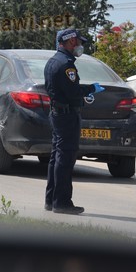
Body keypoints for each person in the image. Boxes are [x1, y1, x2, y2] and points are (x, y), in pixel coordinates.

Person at [43, 28, 104, 214]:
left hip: (57, 113)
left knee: (56, 157)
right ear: (70, 42)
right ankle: (61, 202)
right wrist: (90, 89)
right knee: (65, 157)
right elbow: (73, 92)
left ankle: (51, 200)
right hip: (67, 115)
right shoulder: (66, 64)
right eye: (78, 42)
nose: (80, 46)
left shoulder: (53, 61)